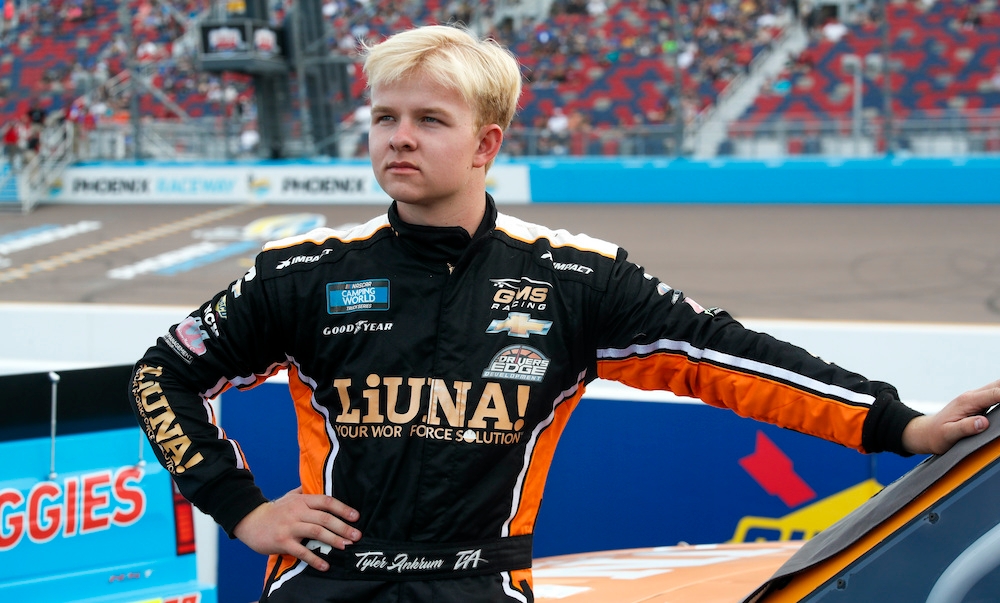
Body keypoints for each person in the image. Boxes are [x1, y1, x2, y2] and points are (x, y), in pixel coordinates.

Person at [129, 24, 999, 603]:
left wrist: (899, 423)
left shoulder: (575, 277)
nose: (399, 137)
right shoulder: (304, 271)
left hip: (479, 586)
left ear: (486, 143)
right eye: (384, 116)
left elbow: (727, 355)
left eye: (429, 119)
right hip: (324, 584)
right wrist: (242, 507)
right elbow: (161, 374)